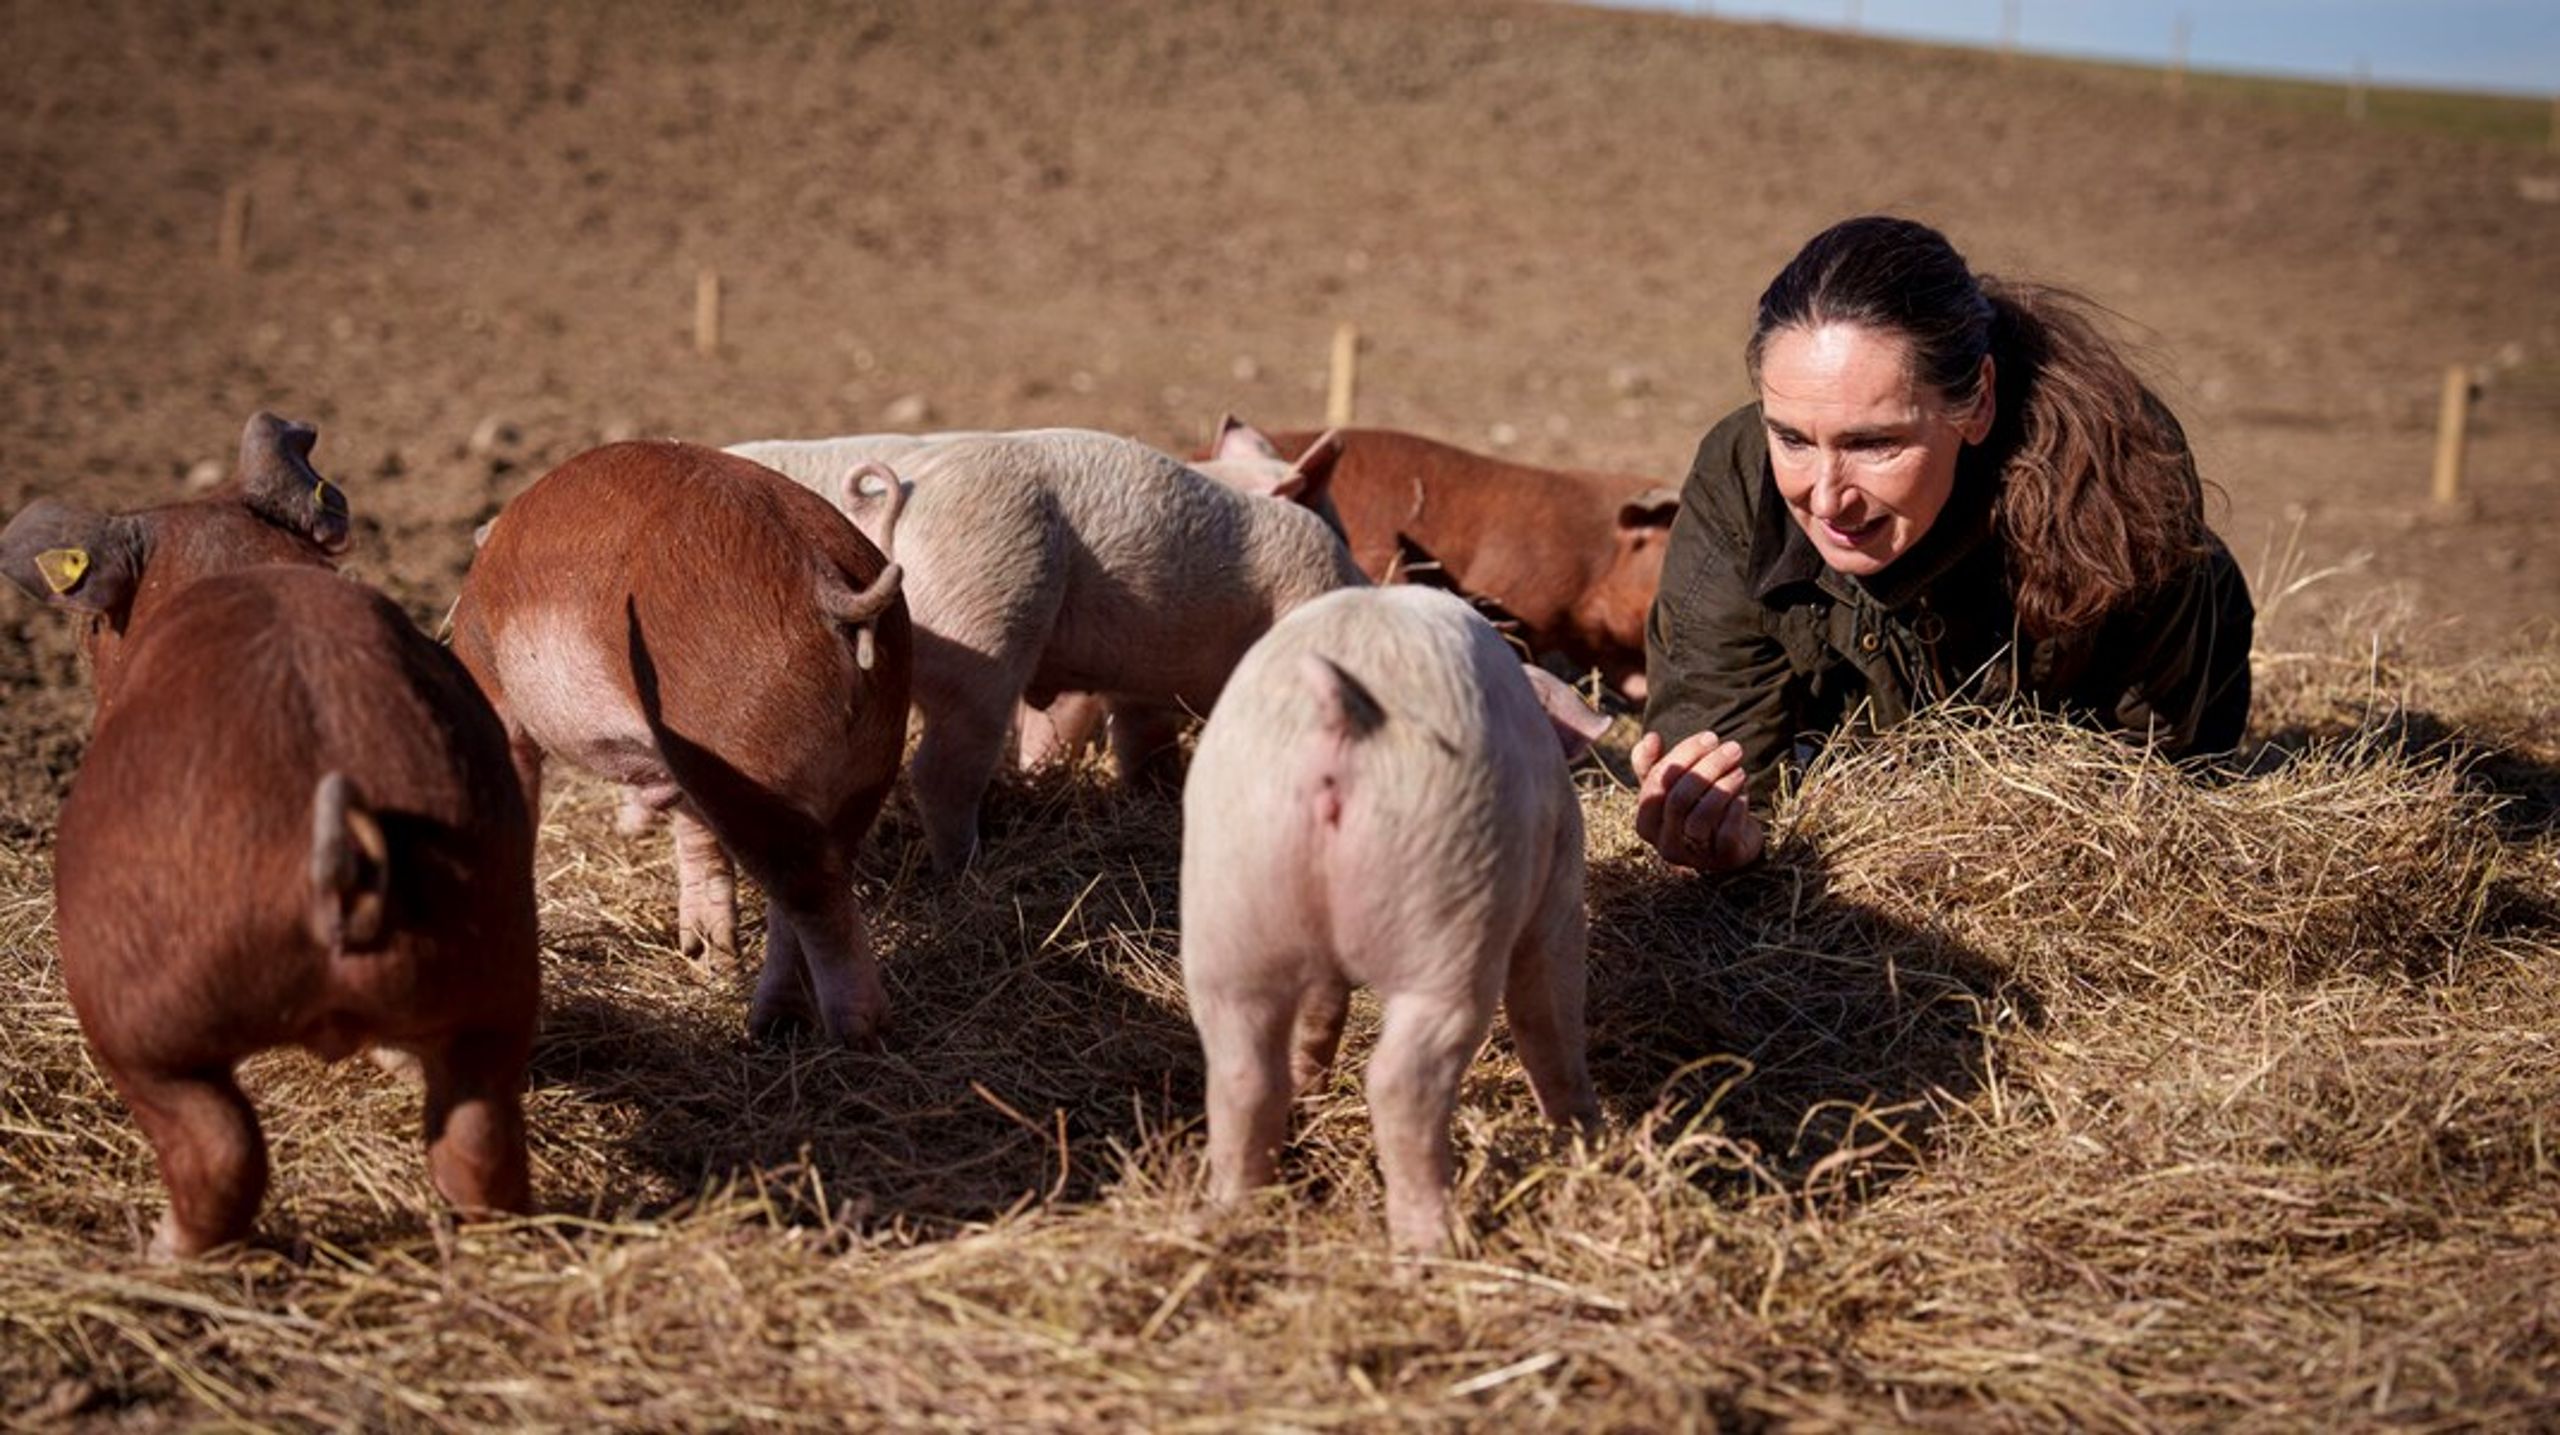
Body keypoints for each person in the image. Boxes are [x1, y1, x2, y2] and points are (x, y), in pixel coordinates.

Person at [1634, 215, 2254, 873]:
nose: (1825, 497)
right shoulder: (1739, 475)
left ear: (1977, 402)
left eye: (1873, 443)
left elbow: (2140, 784)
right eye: (1791, 437)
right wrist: (1719, 840)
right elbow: (1723, 753)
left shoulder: (2119, 483)